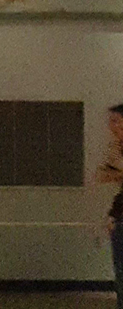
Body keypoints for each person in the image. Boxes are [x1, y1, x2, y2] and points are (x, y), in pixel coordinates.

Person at [96, 104, 123, 307]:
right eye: (110, 121)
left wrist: (117, 172)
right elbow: (101, 175)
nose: (111, 125)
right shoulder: (114, 148)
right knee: (120, 269)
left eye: (115, 120)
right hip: (120, 215)